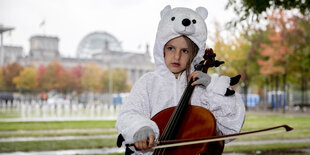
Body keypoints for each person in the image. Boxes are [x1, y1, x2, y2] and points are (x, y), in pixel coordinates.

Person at [116, 5, 245, 154]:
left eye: (184, 51)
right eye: (171, 48)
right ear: (161, 49)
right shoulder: (148, 82)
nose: (177, 56)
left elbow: (229, 125)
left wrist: (213, 88)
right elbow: (130, 112)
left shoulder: (201, 87)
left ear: (195, 54)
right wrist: (139, 127)